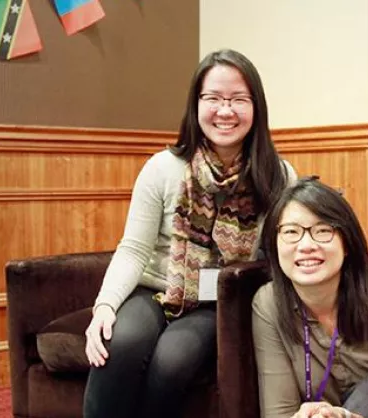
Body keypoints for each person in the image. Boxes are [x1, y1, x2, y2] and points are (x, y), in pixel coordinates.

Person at [82, 49, 297, 418]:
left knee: (172, 359)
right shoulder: (163, 168)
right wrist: (105, 305)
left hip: (222, 302)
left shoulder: (277, 176)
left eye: (237, 100)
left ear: (256, 107)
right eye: (213, 98)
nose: (224, 111)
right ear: (196, 105)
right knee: (121, 343)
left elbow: (277, 259)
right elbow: (134, 249)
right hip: (156, 289)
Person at [252, 177, 368, 418]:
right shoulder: (269, 304)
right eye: (291, 232)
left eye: (323, 231)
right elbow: (279, 413)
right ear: (274, 244)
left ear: (347, 243)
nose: (306, 245)